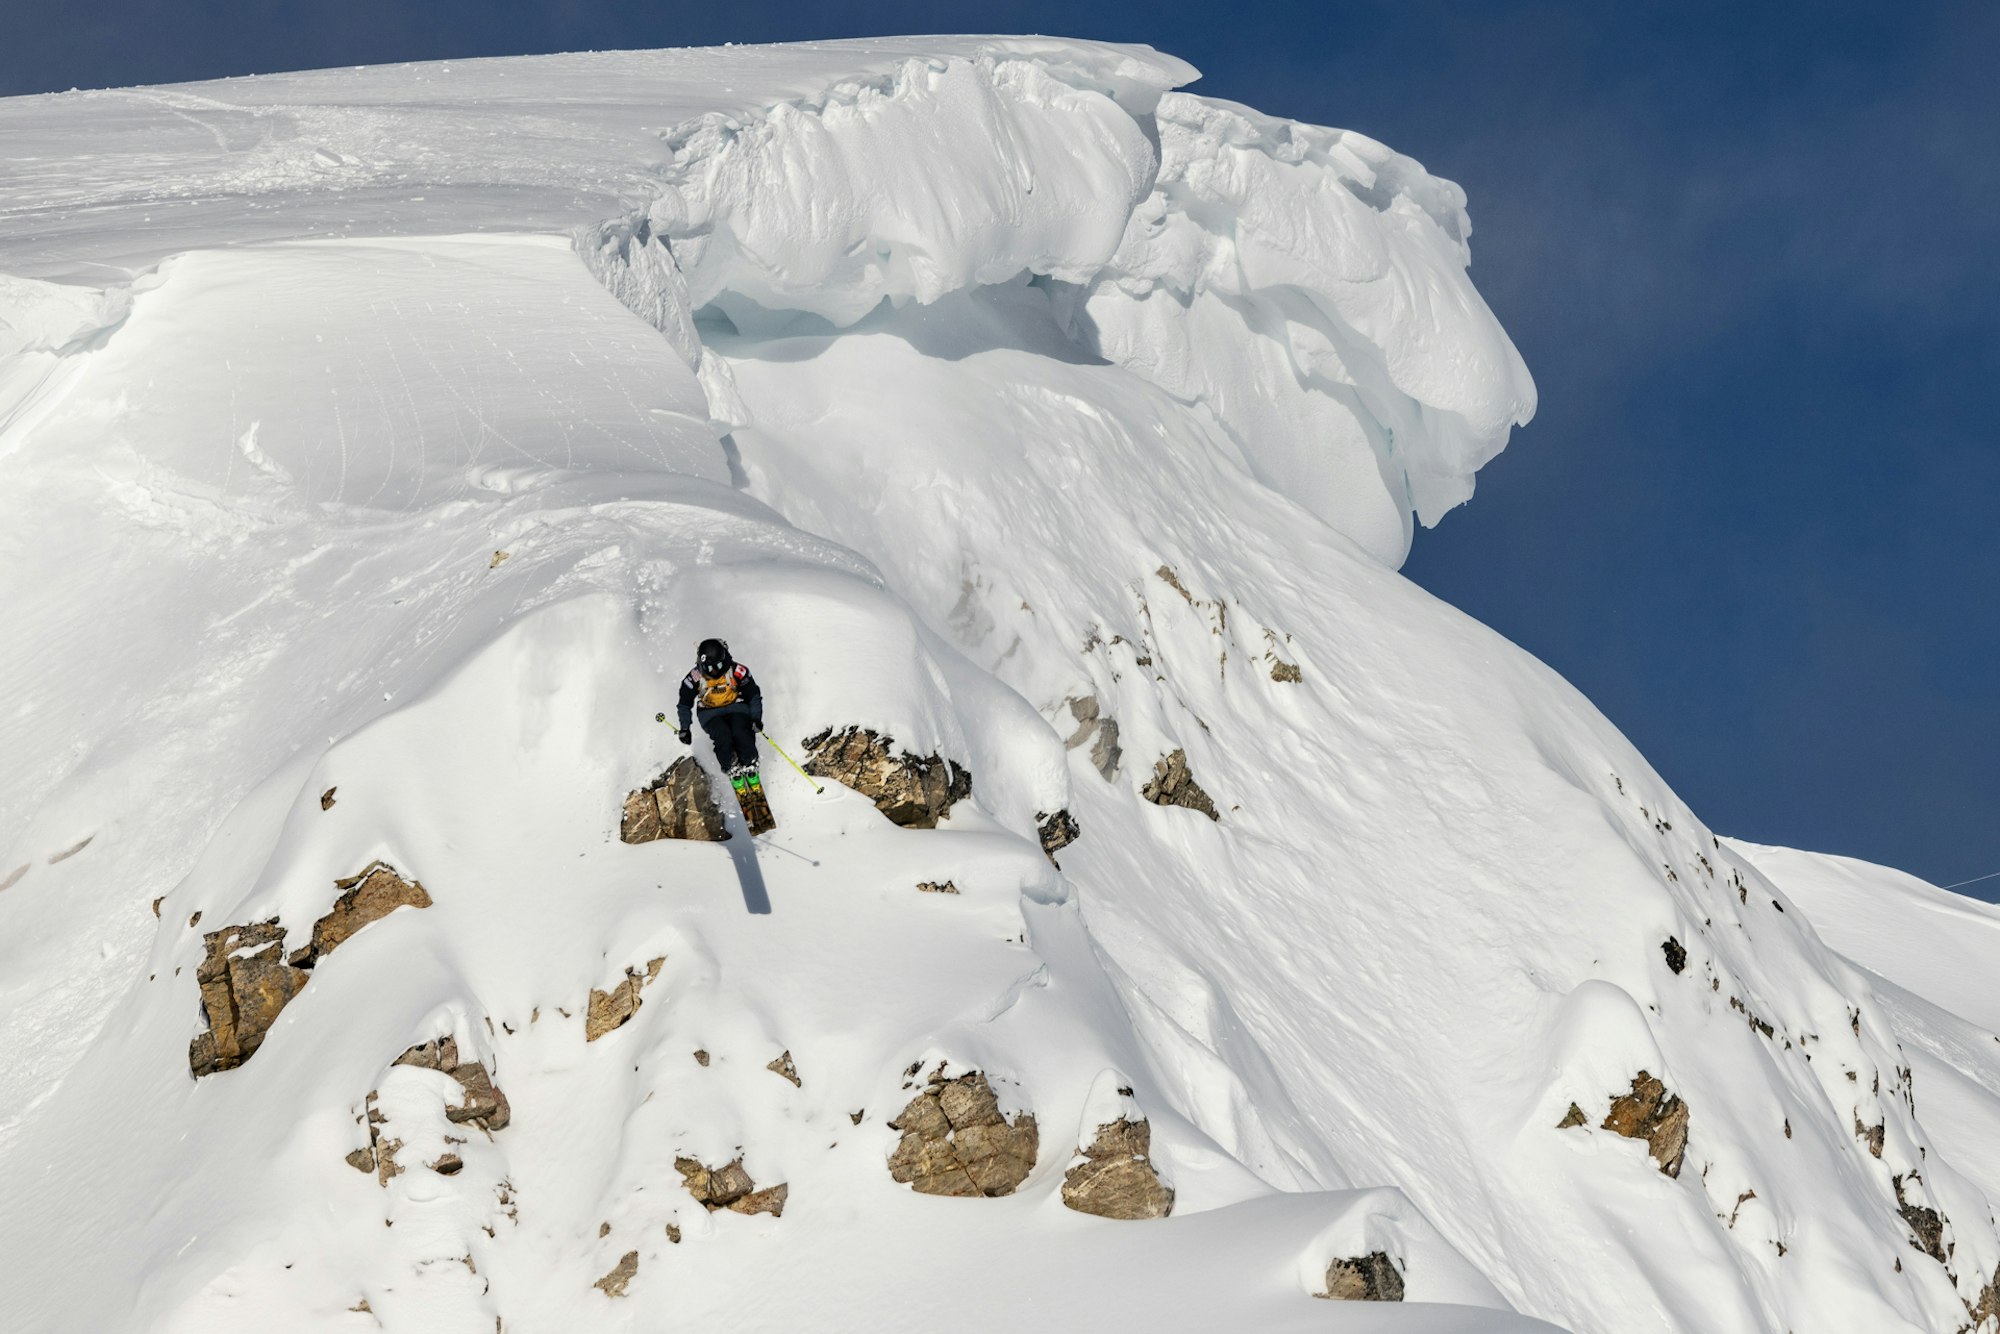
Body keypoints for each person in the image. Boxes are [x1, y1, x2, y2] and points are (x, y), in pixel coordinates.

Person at [675, 638, 763, 775]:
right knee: (723, 735)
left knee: (741, 731)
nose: (715, 671)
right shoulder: (695, 676)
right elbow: (684, 704)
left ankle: (750, 761)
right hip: (709, 713)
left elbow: (753, 695)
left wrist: (756, 718)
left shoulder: (737, 670)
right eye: (709, 668)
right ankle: (730, 765)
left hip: (736, 706)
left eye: (719, 666)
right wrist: (685, 728)